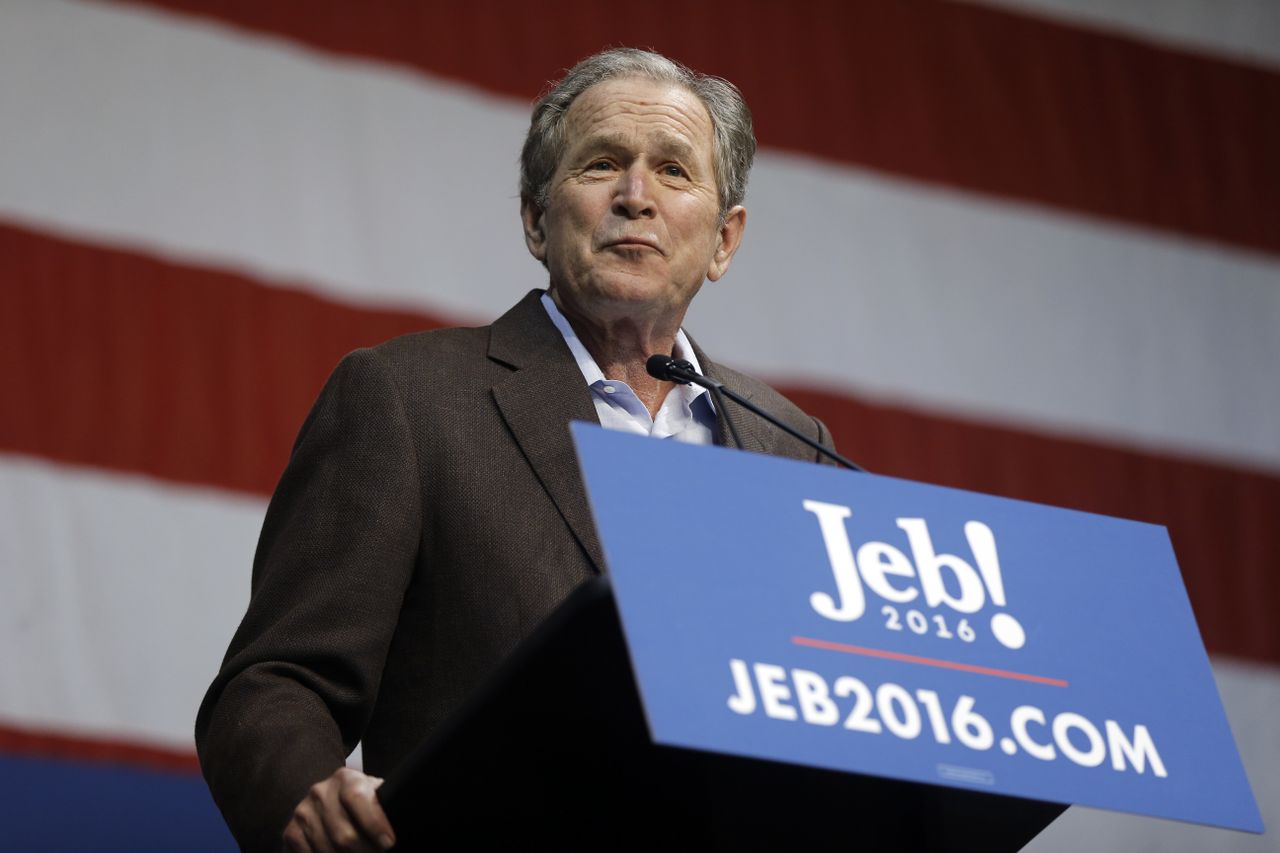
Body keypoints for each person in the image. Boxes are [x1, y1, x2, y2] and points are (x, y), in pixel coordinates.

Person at [196, 47, 836, 852]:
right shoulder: (409, 398)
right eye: (602, 164)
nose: (635, 197)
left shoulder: (794, 447)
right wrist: (305, 795)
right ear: (536, 217)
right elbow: (276, 682)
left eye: (674, 171)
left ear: (724, 239)